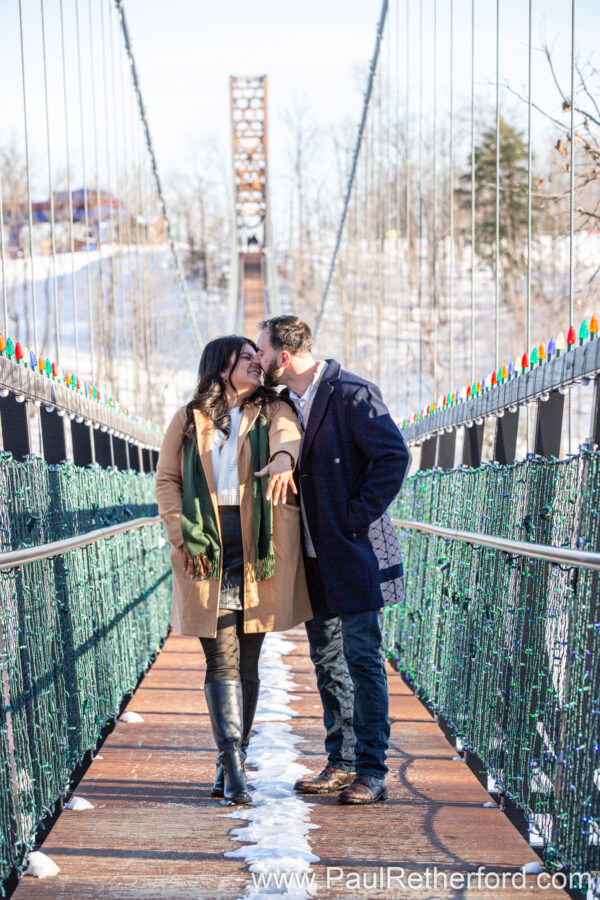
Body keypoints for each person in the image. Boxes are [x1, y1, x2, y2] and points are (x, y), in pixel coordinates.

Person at [254, 316, 411, 805]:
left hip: (352, 549)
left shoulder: (353, 392)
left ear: (283, 356)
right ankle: (340, 763)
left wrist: (353, 518)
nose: (257, 360)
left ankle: (372, 770)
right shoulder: (280, 404)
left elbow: (394, 457)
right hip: (310, 556)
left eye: (260, 351)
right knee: (326, 660)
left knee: (362, 658)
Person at [155, 336, 312, 805]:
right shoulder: (188, 418)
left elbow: (289, 440)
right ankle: (234, 764)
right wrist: (181, 536)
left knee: (248, 659)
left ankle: (232, 762)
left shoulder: (274, 410)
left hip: (258, 546)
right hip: (206, 546)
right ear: (221, 366)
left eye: (257, 357)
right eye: (246, 358)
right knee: (219, 658)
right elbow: (167, 479)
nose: (257, 364)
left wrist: (283, 461)